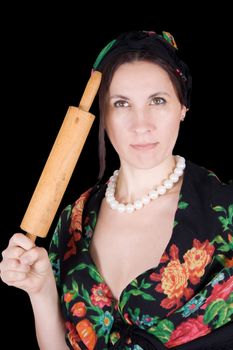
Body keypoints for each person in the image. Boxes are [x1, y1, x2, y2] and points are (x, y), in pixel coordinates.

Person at [0, 30, 232, 350]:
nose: (141, 124)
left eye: (158, 100)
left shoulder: (225, 213)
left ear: (183, 107)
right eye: (122, 103)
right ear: (104, 116)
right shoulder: (73, 223)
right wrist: (40, 293)